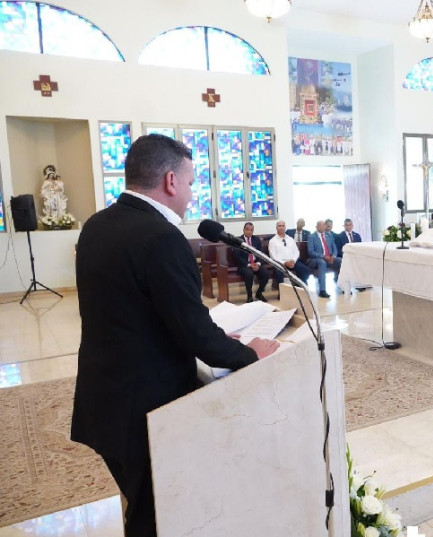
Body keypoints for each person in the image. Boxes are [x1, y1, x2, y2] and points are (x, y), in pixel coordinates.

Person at [72, 134, 279, 537]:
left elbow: (137, 312)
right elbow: (194, 333)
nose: (190, 192)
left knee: (143, 505)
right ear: (170, 181)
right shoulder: (161, 237)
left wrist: (214, 337)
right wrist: (250, 354)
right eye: (189, 183)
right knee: (156, 517)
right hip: (145, 407)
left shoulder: (97, 225)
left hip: (105, 400)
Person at [232, 222, 270, 303]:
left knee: (266, 274)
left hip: (256, 263)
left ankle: (259, 293)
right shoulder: (238, 241)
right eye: (247, 229)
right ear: (243, 230)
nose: (249, 231)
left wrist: (258, 263)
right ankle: (249, 296)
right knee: (249, 274)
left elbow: (261, 254)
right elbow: (237, 257)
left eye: (251, 230)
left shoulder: (256, 240)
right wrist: (249, 265)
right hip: (245, 264)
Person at [268, 220, 311, 285]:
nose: (281, 227)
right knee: (278, 273)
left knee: (306, 270)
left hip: (292, 261)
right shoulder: (272, 241)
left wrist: (293, 261)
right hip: (280, 263)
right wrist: (285, 263)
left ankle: (300, 287)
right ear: (276, 227)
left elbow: (296, 252)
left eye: (283, 226)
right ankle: (282, 292)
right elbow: (273, 256)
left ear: (285, 227)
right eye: (279, 226)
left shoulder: (290, 239)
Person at [308, 219, 341, 298]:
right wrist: (323, 256)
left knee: (340, 261)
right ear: (316, 227)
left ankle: (343, 286)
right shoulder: (312, 236)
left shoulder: (329, 235)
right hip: (316, 259)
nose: (322, 227)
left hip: (329, 258)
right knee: (322, 263)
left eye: (323, 225)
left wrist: (333, 256)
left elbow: (334, 249)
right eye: (320, 225)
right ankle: (322, 291)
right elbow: (311, 252)